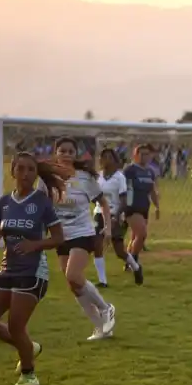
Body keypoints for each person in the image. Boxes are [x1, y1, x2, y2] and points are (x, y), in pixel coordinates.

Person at [0, 151, 65, 385]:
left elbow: (59, 238)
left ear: (36, 174)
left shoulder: (41, 203)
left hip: (33, 271)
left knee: (16, 325)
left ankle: (29, 376)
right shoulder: (5, 202)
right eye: (21, 169)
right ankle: (29, 347)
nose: (25, 174)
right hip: (8, 268)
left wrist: (34, 244)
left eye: (31, 170)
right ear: (12, 171)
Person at [46, 137, 117, 341]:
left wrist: (107, 229)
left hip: (83, 232)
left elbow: (103, 203)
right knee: (73, 284)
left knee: (73, 275)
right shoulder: (47, 178)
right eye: (63, 151)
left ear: (75, 155)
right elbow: (42, 205)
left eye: (70, 151)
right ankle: (101, 328)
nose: (66, 155)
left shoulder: (85, 177)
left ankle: (105, 308)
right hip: (60, 235)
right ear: (56, 153)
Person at [93, 148, 143, 286]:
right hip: (99, 213)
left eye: (109, 157)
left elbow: (124, 199)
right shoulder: (98, 177)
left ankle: (136, 268)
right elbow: (94, 196)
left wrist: (116, 216)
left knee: (119, 251)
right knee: (97, 244)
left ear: (116, 161)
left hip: (116, 214)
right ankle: (102, 281)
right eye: (103, 157)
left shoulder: (120, 177)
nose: (106, 160)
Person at [122, 144, 160, 269]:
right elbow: (122, 189)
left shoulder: (150, 171)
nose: (145, 157)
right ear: (135, 155)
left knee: (135, 237)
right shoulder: (130, 170)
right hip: (132, 207)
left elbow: (152, 190)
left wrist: (157, 206)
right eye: (142, 154)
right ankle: (134, 262)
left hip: (144, 207)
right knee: (142, 234)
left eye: (147, 154)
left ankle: (129, 263)